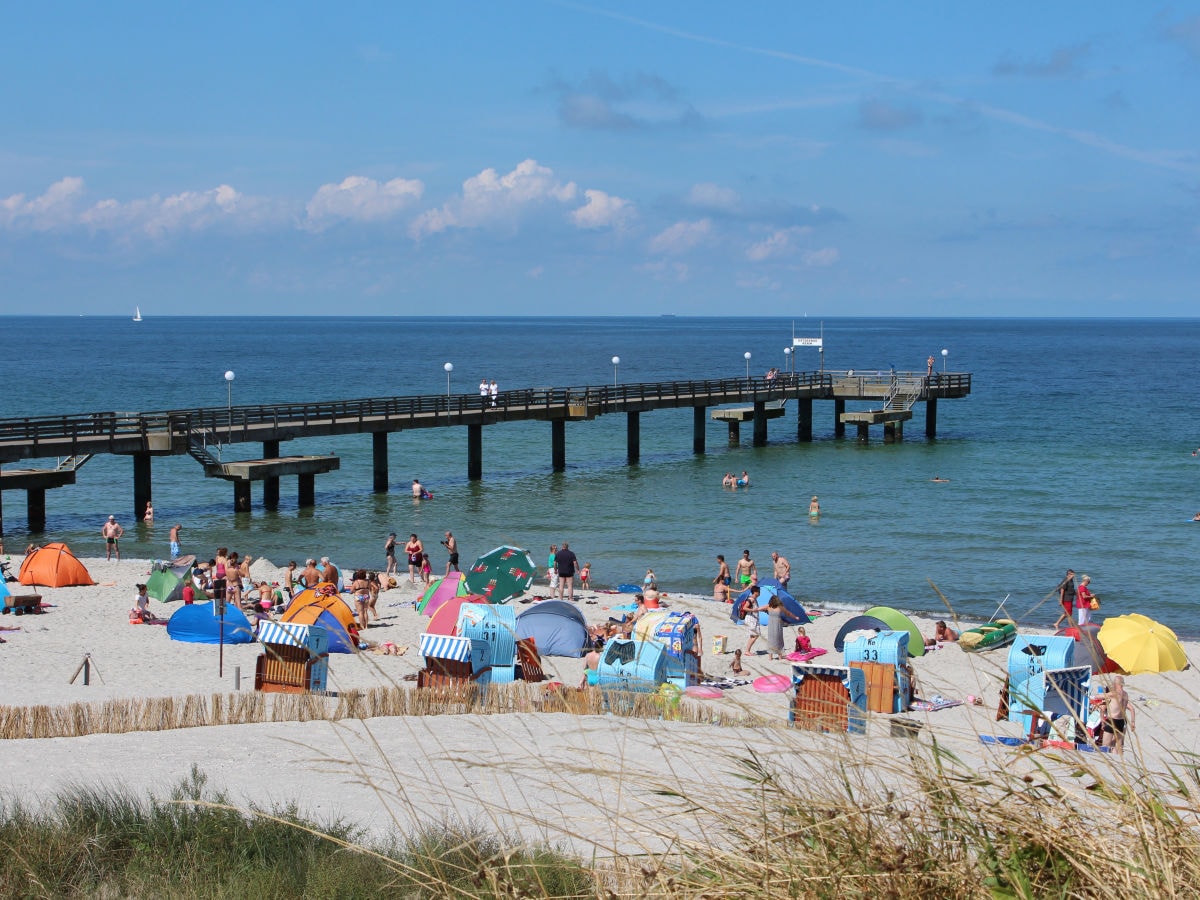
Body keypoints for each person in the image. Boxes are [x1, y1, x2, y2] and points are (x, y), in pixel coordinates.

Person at [1101, 675, 1136, 754]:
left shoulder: (1112, 695)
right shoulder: (1125, 695)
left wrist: (1102, 720)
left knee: (1105, 746)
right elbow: (1132, 709)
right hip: (1122, 721)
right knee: (1118, 745)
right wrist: (1133, 722)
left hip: (1112, 720)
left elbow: (1102, 709)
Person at [740, 585, 764, 656]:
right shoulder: (751, 599)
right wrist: (753, 610)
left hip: (753, 619)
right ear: (755, 592)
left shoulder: (754, 599)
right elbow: (744, 608)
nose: (760, 593)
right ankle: (747, 651)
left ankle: (747, 650)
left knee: (753, 635)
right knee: (756, 635)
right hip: (751, 619)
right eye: (759, 592)